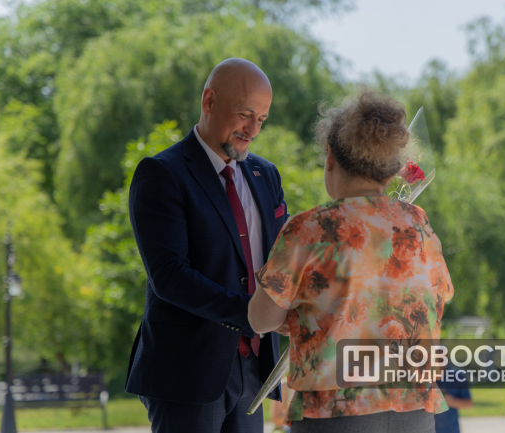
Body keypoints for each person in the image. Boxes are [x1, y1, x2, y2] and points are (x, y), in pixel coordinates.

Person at [248, 90, 454, 433]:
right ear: (390, 171)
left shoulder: (308, 228)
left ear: (330, 156)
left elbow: (260, 319)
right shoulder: (418, 224)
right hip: (415, 410)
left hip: (334, 412)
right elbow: (439, 296)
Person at [125, 58, 289, 432]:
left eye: (262, 119)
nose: (253, 129)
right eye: (245, 114)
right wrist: (254, 313)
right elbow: (170, 277)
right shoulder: (161, 174)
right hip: (186, 371)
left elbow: (282, 258)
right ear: (209, 101)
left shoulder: (267, 174)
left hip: (254, 370)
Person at [434, 363, 473, 433]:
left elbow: (468, 403)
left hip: (450, 429)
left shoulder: (457, 375)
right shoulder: (421, 376)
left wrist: (451, 401)